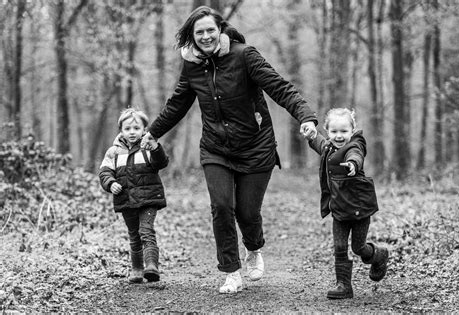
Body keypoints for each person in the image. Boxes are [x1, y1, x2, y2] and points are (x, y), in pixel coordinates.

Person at [140, 6, 318, 293]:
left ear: (220, 30)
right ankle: (231, 271)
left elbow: (280, 88)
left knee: (247, 213)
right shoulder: (193, 66)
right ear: (192, 36)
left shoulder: (244, 55)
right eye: (200, 32)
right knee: (222, 206)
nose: (206, 36)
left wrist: (306, 116)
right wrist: (152, 132)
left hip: (256, 147)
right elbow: (177, 104)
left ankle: (254, 248)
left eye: (211, 30)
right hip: (216, 149)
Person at [304, 108, 389, 299]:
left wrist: (353, 164)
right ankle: (343, 285)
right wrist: (312, 135)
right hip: (340, 210)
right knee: (340, 247)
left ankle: (379, 255)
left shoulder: (355, 146)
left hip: (359, 209)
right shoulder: (328, 147)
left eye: (344, 131)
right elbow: (320, 143)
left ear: (352, 131)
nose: (339, 136)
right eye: (334, 132)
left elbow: (356, 155)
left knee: (358, 248)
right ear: (328, 131)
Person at [99, 108, 169, 284]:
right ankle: (137, 269)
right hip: (126, 198)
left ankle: (151, 266)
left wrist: (156, 148)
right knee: (134, 234)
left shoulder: (148, 147)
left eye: (136, 128)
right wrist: (111, 183)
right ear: (121, 130)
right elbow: (104, 172)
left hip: (148, 198)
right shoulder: (113, 152)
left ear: (144, 130)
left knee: (146, 231)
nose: (132, 132)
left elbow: (161, 162)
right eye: (128, 128)